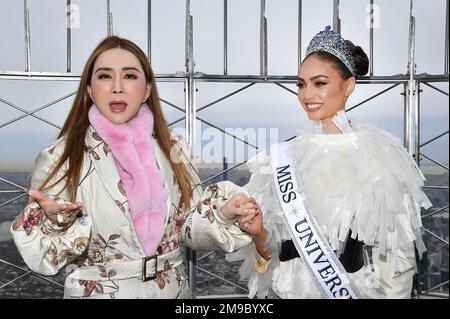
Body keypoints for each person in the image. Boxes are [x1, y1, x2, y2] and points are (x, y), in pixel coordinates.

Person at [10, 36, 261, 299]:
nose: (117, 87)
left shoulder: (172, 147)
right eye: (105, 76)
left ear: (148, 90)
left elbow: (188, 226)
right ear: (90, 90)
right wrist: (55, 222)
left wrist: (222, 212)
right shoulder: (61, 156)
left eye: (129, 76)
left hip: (174, 292)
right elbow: (46, 257)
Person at [227, 26, 432, 299]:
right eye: (301, 84)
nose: (306, 94)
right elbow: (269, 251)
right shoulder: (283, 156)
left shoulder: (377, 156)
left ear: (348, 86)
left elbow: (396, 262)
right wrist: (259, 234)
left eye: (319, 83)